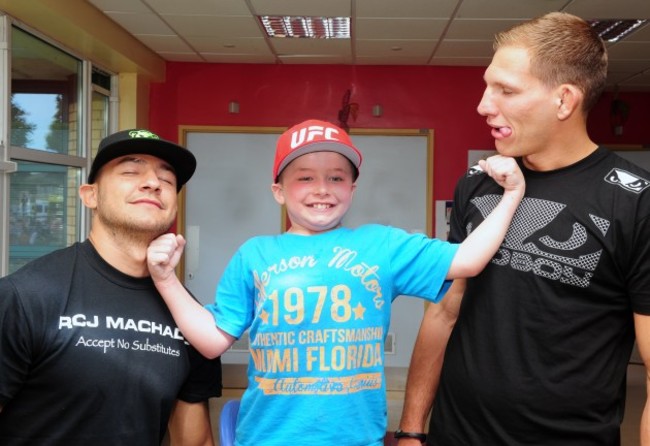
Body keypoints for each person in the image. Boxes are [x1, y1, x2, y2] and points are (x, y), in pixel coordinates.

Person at [147, 118, 524, 446]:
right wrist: (165, 279)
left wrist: (512, 196)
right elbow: (211, 342)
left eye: (336, 178)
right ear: (279, 191)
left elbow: (468, 260)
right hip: (268, 438)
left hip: (356, 439)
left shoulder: (382, 244)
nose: (322, 189)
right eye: (305, 177)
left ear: (352, 190)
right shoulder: (254, 254)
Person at [397, 12, 650, 446]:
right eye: (487, 85)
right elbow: (444, 312)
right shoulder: (477, 185)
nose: (483, 105)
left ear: (564, 100)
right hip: (455, 436)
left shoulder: (636, 202)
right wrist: (411, 430)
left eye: (506, 90)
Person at [0, 129, 222, 445]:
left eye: (167, 180)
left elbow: (195, 440)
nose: (153, 183)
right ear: (90, 195)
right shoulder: (24, 295)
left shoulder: (191, 318)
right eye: (131, 171)